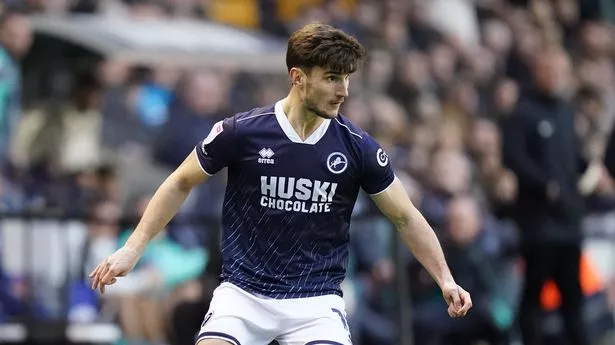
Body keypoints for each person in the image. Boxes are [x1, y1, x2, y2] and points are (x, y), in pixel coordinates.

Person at [90, 23, 472, 345]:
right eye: (332, 78)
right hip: (243, 297)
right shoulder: (241, 132)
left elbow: (405, 216)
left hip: (316, 302)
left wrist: (446, 279)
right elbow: (179, 182)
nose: (344, 91)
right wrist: (132, 249)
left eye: (347, 79)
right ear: (298, 78)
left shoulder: (358, 148)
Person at [500, 48, 589, 345]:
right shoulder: (523, 112)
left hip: (569, 221)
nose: (554, 77)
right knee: (534, 293)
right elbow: (512, 157)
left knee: (572, 295)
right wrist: (542, 183)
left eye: (559, 71)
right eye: (548, 70)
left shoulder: (565, 111)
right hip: (538, 223)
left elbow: (574, 157)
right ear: (537, 72)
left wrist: (589, 168)